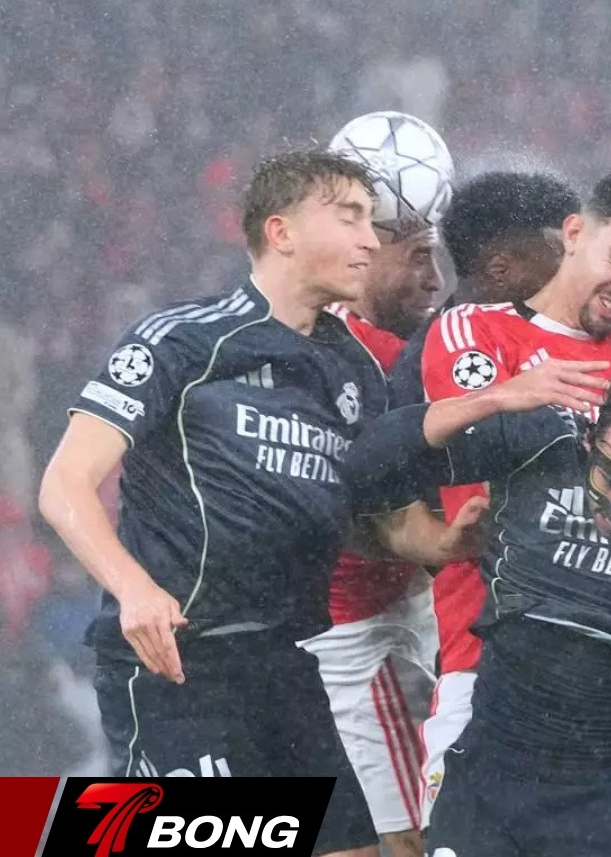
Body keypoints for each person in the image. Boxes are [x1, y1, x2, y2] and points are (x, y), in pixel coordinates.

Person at [39, 148, 387, 857]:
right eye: (350, 217)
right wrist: (135, 592)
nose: (372, 241)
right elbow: (63, 485)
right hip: (178, 669)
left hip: (286, 666)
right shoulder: (185, 339)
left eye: (372, 223)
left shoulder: (355, 372)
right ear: (282, 232)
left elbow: (366, 524)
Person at [345, 357, 611, 857]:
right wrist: (490, 400)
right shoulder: (544, 439)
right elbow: (365, 471)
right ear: (593, 437)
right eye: (609, 476)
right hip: (494, 774)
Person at [299, 115, 449, 857]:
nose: (435, 278)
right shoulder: (368, 356)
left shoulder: (383, 339)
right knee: (403, 843)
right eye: (418, 254)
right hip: (350, 626)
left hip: (407, 598)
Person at [389, 170, 580, 407]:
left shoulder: (561, 330)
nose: (578, 268)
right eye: (563, 255)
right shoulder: (434, 366)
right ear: (500, 271)